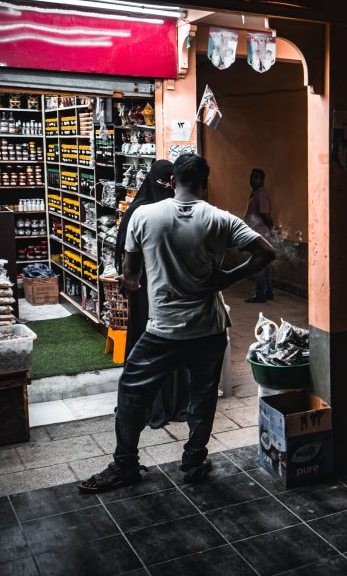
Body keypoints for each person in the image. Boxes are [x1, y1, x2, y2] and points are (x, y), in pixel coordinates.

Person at [79, 155, 276, 492]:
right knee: (201, 396)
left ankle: (125, 464)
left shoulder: (144, 215)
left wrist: (140, 281)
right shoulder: (220, 219)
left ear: (172, 182)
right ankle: (194, 459)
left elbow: (129, 276)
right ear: (205, 183)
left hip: (163, 331)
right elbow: (266, 252)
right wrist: (228, 278)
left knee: (131, 393)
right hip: (209, 328)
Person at [113, 160, 188, 429]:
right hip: (146, 291)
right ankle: (149, 402)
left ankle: (164, 402)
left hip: (164, 292)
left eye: (169, 184)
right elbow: (125, 257)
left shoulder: (171, 212)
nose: (165, 189)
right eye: (161, 184)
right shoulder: (140, 213)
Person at [244, 168, 275, 303]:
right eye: (252, 177)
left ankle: (261, 295)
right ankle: (267, 292)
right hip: (257, 233)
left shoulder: (261, 194)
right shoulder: (256, 193)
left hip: (260, 234)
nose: (253, 180)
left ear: (262, 180)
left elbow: (266, 215)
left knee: (259, 263)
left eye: (256, 177)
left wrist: (271, 228)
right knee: (264, 264)